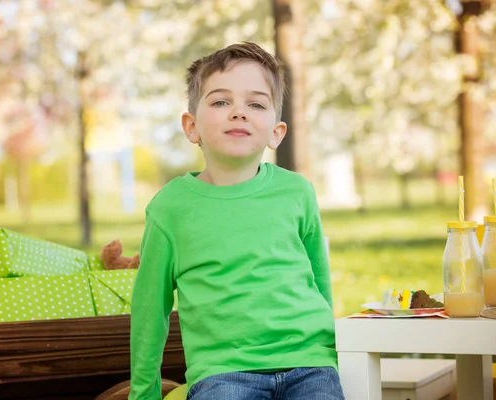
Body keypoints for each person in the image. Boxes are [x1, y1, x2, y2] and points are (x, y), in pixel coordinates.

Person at [130, 42, 344, 400]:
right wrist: (143, 393)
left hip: (311, 364)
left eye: (256, 104)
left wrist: (336, 354)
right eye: (220, 101)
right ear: (192, 125)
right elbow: (150, 308)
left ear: (276, 132)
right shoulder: (170, 207)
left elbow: (320, 283)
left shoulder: (297, 192)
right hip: (223, 373)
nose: (239, 113)